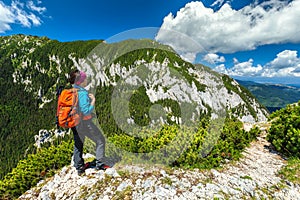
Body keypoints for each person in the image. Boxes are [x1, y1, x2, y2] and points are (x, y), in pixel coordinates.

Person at [69, 69, 110, 175]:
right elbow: (85, 111)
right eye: (85, 79)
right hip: (84, 123)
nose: (87, 80)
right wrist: (93, 101)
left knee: (78, 143)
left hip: (74, 122)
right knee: (100, 140)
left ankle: (79, 166)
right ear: (81, 81)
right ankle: (100, 164)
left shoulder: (71, 90)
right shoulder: (82, 93)